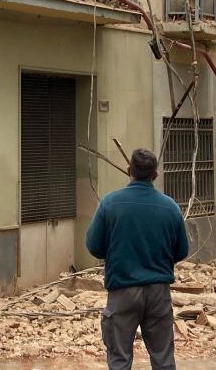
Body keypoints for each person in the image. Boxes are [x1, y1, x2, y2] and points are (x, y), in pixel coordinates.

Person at [85, 148, 189, 370]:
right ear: (155, 175)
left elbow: (94, 246)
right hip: (159, 293)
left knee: (120, 359)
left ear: (128, 170)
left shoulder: (110, 204)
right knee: (163, 359)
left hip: (122, 291)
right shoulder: (170, 207)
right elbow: (181, 251)